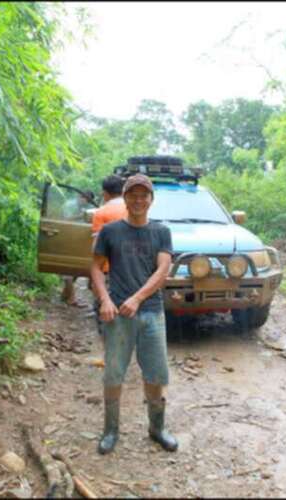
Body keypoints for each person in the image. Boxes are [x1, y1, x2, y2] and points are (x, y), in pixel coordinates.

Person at [90, 173, 178, 455]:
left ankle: (157, 429)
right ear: (125, 198)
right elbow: (94, 267)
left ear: (151, 200)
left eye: (144, 195)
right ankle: (110, 431)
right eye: (133, 194)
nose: (139, 200)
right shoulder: (111, 231)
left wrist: (138, 298)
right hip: (117, 315)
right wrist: (104, 299)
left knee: (154, 374)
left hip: (152, 313)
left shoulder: (161, 232)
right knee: (113, 374)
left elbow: (163, 270)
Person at [90, 175, 127, 336]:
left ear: (105, 193)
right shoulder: (133, 209)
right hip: (130, 268)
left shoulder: (101, 213)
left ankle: (108, 335)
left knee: (105, 303)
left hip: (107, 269)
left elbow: (96, 248)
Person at [61, 190, 95, 307]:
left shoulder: (84, 207)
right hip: (66, 237)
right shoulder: (70, 205)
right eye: (85, 199)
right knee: (68, 268)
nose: (86, 202)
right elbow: (66, 221)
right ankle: (71, 298)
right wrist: (81, 216)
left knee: (76, 268)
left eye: (88, 201)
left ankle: (65, 294)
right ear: (80, 196)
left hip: (76, 240)